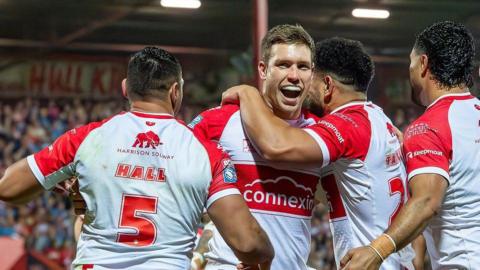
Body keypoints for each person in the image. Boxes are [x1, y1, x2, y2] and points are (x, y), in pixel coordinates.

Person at [0, 47, 274, 269]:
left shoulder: (85, 139)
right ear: (175, 92)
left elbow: (8, 188)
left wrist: (65, 181)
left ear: (125, 88)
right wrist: (266, 252)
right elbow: (248, 243)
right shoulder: (206, 153)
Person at [222, 37, 415, 269]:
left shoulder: (347, 124)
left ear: (327, 86)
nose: (301, 84)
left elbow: (276, 146)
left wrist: (248, 94)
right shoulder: (378, 120)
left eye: (308, 76)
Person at [340, 21, 480, 270]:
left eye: (411, 62)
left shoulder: (428, 127)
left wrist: (375, 251)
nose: (410, 70)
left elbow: (426, 201)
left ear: (424, 64)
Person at [189, 24, 323, 270]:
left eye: (303, 67)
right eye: (283, 64)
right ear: (263, 69)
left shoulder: (321, 135)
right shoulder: (221, 120)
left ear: (311, 74)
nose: (294, 75)